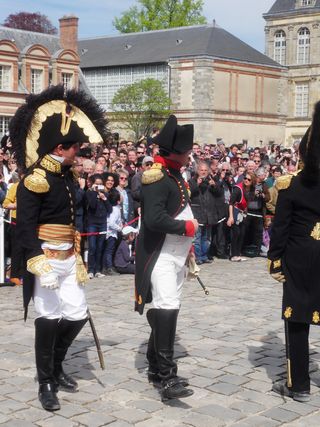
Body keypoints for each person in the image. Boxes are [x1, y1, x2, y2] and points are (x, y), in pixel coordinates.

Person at [10, 85, 108, 412]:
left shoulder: (66, 177)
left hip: (69, 256)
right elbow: (24, 227)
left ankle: (56, 363)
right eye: (75, 148)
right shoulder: (35, 179)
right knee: (49, 317)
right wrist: (36, 261)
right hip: (46, 259)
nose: (77, 153)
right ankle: (45, 381)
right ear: (60, 147)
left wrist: (77, 255)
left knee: (77, 313)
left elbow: (72, 219)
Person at [135, 115, 198, 401]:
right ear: (174, 152)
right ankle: (167, 376)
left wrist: (189, 245)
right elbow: (154, 218)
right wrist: (186, 228)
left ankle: (153, 366)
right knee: (168, 307)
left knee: (167, 308)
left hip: (177, 253)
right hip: (160, 252)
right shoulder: (157, 177)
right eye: (186, 150)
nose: (189, 155)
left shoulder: (175, 175)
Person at [268, 102, 320, 403]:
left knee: (297, 321)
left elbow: (281, 229)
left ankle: (299, 384)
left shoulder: (290, 185)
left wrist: (275, 261)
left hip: (300, 258)